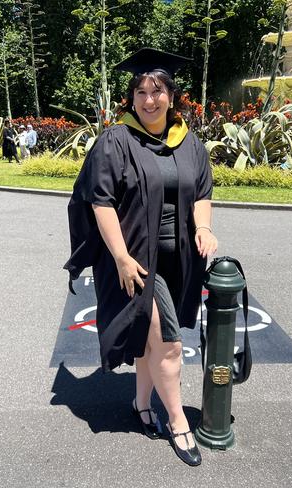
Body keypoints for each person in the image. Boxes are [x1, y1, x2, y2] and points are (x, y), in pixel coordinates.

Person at [64, 48, 217, 467]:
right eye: (141, 92)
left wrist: (203, 227)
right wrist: (120, 257)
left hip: (180, 259)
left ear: (172, 95)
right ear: (131, 97)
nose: (149, 101)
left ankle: (141, 403)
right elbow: (100, 202)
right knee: (168, 343)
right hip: (136, 260)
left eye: (158, 91)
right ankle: (178, 422)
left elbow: (202, 192)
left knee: (151, 339)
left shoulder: (189, 143)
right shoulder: (116, 139)